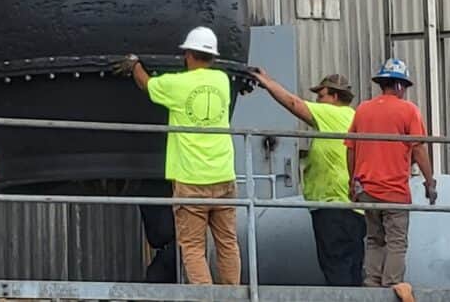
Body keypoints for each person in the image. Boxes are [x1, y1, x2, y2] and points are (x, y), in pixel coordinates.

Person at [119, 26, 241, 286]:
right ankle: (232, 295)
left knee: (193, 247)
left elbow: (146, 84)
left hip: (191, 180)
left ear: (187, 54)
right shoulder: (221, 81)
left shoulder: (177, 85)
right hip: (224, 176)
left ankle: (205, 298)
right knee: (228, 243)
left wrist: (135, 65)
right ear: (213, 58)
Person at [253, 68, 364, 285]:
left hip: (332, 203)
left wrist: (268, 83)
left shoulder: (331, 113)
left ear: (334, 96)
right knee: (353, 269)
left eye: (321, 95)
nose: (318, 100)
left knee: (334, 267)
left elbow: (295, 105)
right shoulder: (355, 117)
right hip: (356, 207)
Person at [346, 57, 437, 287]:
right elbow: (418, 148)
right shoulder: (408, 111)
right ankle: (391, 287)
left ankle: (372, 286)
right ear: (399, 85)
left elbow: (350, 149)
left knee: (374, 240)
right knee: (396, 242)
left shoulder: (363, 110)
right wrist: (430, 181)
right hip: (394, 191)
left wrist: (352, 181)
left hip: (366, 189)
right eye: (404, 86)